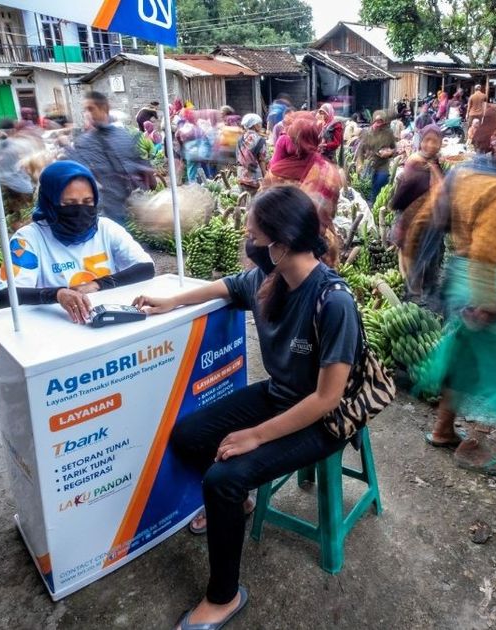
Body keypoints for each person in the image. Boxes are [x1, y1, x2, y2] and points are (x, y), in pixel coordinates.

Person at [130, 185, 359, 630]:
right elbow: (227, 285)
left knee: (222, 479)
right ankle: (238, 505)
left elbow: (328, 398)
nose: (246, 242)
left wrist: (255, 435)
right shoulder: (270, 279)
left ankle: (224, 596)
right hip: (281, 395)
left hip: (323, 419)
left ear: (280, 244)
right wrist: (171, 301)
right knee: (188, 435)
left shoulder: (334, 301)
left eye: (253, 235)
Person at [412, 109, 496, 476]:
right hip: (484, 282)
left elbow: (428, 215)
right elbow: (488, 250)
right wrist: (488, 303)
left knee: (462, 359)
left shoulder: (465, 172)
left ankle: (443, 429)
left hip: (460, 275)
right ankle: (474, 445)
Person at [0, 160, 155, 320]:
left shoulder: (106, 229)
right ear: (49, 202)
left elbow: (145, 268)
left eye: (87, 202)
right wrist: (57, 294)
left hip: (106, 320)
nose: (79, 210)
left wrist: (98, 284)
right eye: (69, 203)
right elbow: (4, 295)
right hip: (56, 326)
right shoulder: (28, 239)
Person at [262, 113, 345, 264]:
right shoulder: (329, 172)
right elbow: (330, 212)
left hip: (277, 251)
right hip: (318, 251)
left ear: (290, 140)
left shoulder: (275, 173)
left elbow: (260, 212)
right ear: (317, 138)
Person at [67, 91, 152, 223]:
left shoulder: (123, 135)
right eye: (85, 110)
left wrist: (144, 169)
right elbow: (78, 173)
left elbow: (134, 162)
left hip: (129, 206)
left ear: (104, 108)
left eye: (91, 109)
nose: (87, 114)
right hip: (104, 212)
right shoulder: (84, 142)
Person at [390, 124, 444, 307]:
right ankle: (414, 298)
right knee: (412, 258)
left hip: (431, 221)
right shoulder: (415, 161)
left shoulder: (434, 162)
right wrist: (396, 205)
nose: (431, 145)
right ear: (421, 142)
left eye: (435, 141)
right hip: (412, 219)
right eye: (427, 140)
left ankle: (427, 299)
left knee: (429, 258)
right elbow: (406, 189)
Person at [0, 118, 38, 231]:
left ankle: (18, 237)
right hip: (23, 187)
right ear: (14, 130)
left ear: (0, 131)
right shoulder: (22, 145)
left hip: (7, 186)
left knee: (15, 216)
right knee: (29, 217)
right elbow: (32, 166)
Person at [355, 110, 397, 205]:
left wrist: (390, 152)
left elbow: (394, 148)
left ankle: (376, 206)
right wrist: (359, 164)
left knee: (381, 183)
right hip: (369, 164)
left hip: (383, 164)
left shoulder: (388, 133)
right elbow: (360, 150)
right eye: (377, 121)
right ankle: (369, 205)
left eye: (381, 122)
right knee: (367, 188)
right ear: (373, 121)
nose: (378, 124)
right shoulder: (366, 133)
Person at [236, 114, 268, 195]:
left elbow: (238, 157)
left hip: (241, 175)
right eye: (259, 123)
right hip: (254, 178)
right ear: (255, 125)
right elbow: (262, 160)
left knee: (244, 200)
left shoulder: (240, 139)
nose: (261, 126)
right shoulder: (260, 140)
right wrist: (265, 176)